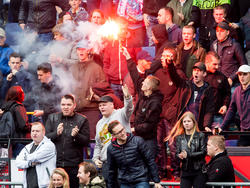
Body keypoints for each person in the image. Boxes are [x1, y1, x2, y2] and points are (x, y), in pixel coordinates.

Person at [122, 46, 163, 158]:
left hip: (148, 139)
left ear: (149, 88)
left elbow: (149, 124)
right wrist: (128, 57)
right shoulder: (143, 93)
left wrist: (135, 129)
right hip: (139, 136)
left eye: (145, 82)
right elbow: (135, 75)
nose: (142, 83)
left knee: (149, 163)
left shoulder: (155, 103)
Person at [46, 94, 90, 188]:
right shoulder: (52, 118)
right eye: (63, 104)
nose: (65, 107)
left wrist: (76, 136)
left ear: (74, 105)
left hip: (74, 166)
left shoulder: (82, 119)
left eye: (68, 105)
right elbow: (45, 138)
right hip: (55, 165)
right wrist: (56, 133)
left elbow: (86, 141)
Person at [92, 85, 133, 182]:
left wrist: (127, 97)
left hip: (123, 161)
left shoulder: (121, 114)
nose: (102, 107)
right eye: (100, 106)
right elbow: (98, 144)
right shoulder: (99, 123)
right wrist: (95, 158)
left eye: (104, 104)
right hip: (107, 163)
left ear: (112, 105)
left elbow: (129, 108)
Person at [107, 120, 162, 188]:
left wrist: (156, 181)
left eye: (123, 129)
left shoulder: (138, 141)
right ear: (113, 135)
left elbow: (150, 160)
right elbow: (111, 170)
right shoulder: (111, 149)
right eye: (119, 132)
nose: (123, 133)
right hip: (125, 182)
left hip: (141, 180)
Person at [70, 40, 107, 139]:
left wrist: (94, 96)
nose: (81, 52)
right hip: (76, 109)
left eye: (83, 49)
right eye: (79, 49)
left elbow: (103, 88)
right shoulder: (73, 67)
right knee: (75, 138)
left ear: (88, 51)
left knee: (92, 138)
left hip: (91, 109)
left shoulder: (96, 68)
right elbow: (68, 85)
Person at [165, 111, 206, 188]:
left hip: (198, 171)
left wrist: (189, 155)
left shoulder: (201, 135)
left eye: (189, 121)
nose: (186, 123)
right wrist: (179, 156)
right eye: (184, 121)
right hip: (185, 171)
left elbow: (204, 152)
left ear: (193, 122)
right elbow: (177, 153)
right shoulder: (179, 138)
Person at [15, 122, 57, 188]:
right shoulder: (28, 147)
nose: (34, 133)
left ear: (43, 133)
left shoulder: (49, 145)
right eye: (33, 131)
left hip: (45, 185)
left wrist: (24, 158)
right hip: (28, 185)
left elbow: (35, 157)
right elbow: (18, 163)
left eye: (37, 131)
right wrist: (30, 164)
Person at [220, 65, 250, 146]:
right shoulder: (237, 91)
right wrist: (222, 127)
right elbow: (231, 110)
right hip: (244, 131)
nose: (242, 77)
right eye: (240, 74)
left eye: (245, 74)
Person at [210, 21, 247, 87]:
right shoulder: (214, 45)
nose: (219, 33)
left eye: (221, 31)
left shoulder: (235, 45)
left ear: (227, 32)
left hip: (233, 83)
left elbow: (243, 65)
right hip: (218, 82)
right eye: (217, 31)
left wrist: (231, 78)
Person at [1, 86, 30, 156]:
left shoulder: (4, 107)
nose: (24, 94)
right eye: (22, 93)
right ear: (18, 95)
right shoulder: (18, 106)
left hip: (8, 142)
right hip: (19, 141)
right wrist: (33, 126)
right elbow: (23, 125)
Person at [204, 51, 231, 126]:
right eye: (214, 64)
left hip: (217, 116)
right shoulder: (199, 75)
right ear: (207, 63)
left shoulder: (222, 77)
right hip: (201, 115)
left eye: (218, 64)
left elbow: (227, 93)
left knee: (217, 137)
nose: (217, 67)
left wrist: (225, 105)